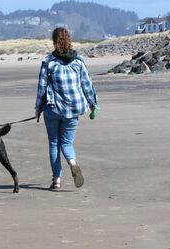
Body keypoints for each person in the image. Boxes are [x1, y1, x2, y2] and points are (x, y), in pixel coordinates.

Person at [35, 27, 98, 190]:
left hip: (53, 109)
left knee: (54, 143)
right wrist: (93, 105)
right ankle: (72, 162)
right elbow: (87, 85)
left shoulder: (49, 62)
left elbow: (42, 88)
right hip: (73, 108)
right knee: (67, 143)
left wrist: (38, 109)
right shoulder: (78, 61)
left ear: (54, 42)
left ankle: (56, 180)